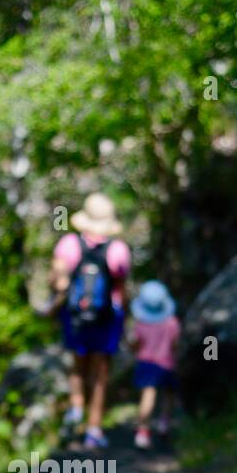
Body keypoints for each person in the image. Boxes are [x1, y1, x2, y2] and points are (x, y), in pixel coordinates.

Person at [44, 193, 131, 451]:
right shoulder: (118, 250)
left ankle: (76, 407)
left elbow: (56, 280)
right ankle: (94, 429)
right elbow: (121, 289)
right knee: (101, 374)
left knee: (77, 367)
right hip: (106, 317)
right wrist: (125, 320)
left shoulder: (69, 244)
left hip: (75, 317)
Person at [128, 280, 180, 450]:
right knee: (168, 394)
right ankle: (164, 422)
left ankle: (143, 431)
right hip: (167, 363)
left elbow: (135, 344)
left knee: (148, 395)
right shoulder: (171, 323)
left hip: (146, 363)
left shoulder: (140, 324)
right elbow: (175, 344)